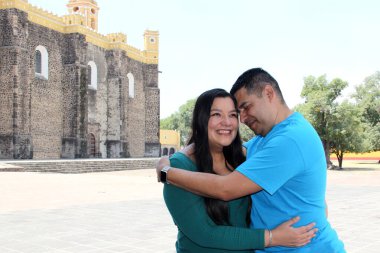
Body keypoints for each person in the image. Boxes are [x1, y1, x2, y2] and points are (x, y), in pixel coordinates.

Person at [158, 69, 346, 252]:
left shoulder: (290, 139)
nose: (242, 119)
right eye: (218, 114)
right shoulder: (263, 141)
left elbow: (225, 188)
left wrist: (167, 172)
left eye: (244, 108)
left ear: (268, 93)